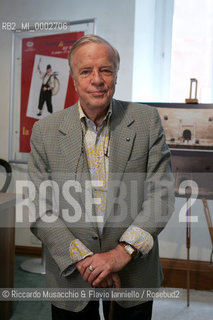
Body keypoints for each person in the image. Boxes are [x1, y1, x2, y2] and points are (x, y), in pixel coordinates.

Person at [28, 34, 174, 320]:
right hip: (70, 274)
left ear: (116, 76)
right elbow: (38, 207)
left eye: (105, 70)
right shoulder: (44, 131)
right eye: (86, 71)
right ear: (73, 79)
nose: (97, 79)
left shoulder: (146, 121)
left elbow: (162, 194)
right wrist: (85, 260)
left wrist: (120, 254)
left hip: (133, 271)